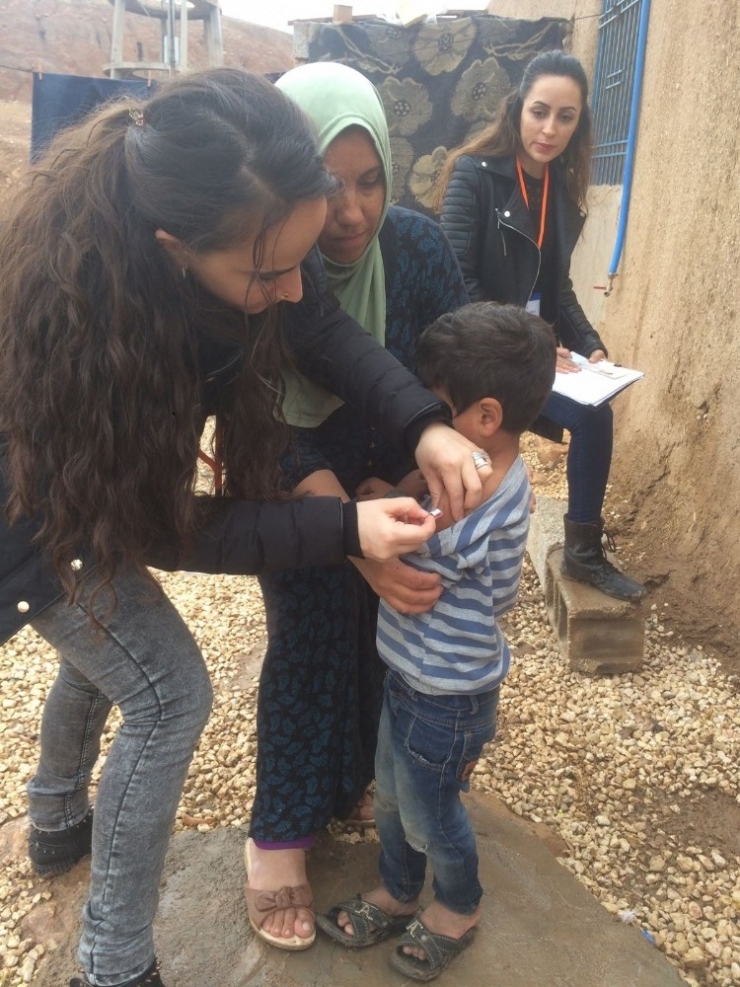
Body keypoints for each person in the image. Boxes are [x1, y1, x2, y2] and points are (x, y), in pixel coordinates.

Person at [0, 69, 493, 987]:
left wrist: (424, 419)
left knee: (108, 649)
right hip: (29, 528)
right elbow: (160, 531)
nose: (292, 285)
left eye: (299, 261)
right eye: (267, 273)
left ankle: (58, 809)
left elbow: (329, 333)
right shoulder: (89, 335)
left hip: (85, 508)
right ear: (173, 249)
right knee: (166, 687)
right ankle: (111, 964)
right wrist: (343, 526)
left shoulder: (243, 255)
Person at [242, 61, 470, 951]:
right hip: (297, 487)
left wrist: (410, 488)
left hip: (398, 478)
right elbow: (255, 418)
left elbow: (450, 374)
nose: (351, 212)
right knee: (308, 635)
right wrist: (342, 519)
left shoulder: (415, 247)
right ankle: (281, 832)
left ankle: (361, 780)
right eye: (328, 185)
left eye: (369, 180)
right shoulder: (262, 262)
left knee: (391, 637)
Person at [315, 302, 556, 981]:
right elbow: (419, 499)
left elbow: (463, 569)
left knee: (431, 808)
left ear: (482, 417)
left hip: (450, 695)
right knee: (391, 793)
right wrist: (398, 489)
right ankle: (397, 886)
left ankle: (457, 903)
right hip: (410, 671)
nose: (423, 421)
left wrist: (386, 514)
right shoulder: (457, 476)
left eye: (436, 406)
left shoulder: (495, 499)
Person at [437, 49, 647, 602]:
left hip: (530, 353)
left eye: (566, 116)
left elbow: (559, 290)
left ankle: (582, 554)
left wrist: (591, 346)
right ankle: (449, 557)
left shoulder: (562, 192)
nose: (549, 129)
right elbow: (457, 286)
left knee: (595, 414)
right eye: (539, 111)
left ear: (579, 124)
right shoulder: (473, 176)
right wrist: (530, 344)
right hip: (478, 353)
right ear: (517, 110)